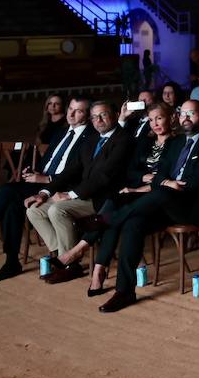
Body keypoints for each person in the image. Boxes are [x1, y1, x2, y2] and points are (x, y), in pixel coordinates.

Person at [90, 99, 199, 311]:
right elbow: (159, 175)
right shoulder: (177, 143)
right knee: (134, 222)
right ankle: (124, 291)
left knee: (163, 194)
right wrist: (166, 182)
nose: (185, 118)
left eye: (191, 114)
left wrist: (165, 184)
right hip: (170, 204)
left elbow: (194, 184)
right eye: (182, 113)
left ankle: (109, 220)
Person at [30, 101, 135, 283]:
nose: (98, 120)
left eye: (103, 115)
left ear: (116, 114)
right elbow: (72, 169)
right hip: (84, 195)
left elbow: (104, 176)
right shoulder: (92, 139)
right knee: (34, 210)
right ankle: (64, 260)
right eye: (94, 117)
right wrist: (46, 192)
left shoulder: (123, 139)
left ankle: (69, 264)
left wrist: (70, 195)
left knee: (57, 210)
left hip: (104, 199)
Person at [0, 96, 93, 280]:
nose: (71, 113)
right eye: (70, 108)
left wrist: (46, 177)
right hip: (41, 183)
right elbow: (48, 160)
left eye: (78, 110)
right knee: (12, 205)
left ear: (87, 115)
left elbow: (79, 173)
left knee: (7, 191)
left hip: (61, 187)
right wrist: (34, 171)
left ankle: (12, 262)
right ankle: (12, 261)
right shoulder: (62, 132)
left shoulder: (90, 137)